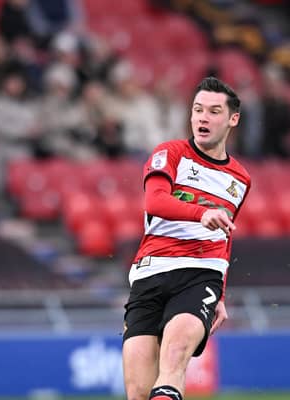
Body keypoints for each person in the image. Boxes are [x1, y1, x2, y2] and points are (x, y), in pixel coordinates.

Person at [122, 76, 251, 400]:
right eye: (197, 110)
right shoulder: (170, 153)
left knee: (174, 359)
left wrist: (219, 293)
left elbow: (226, 236)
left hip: (200, 274)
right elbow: (155, 201)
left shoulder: (240, 179)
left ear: (232, 119)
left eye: (213, 111)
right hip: (151, 271)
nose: (203, 118)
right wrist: (201, 213)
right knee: (138, 391)